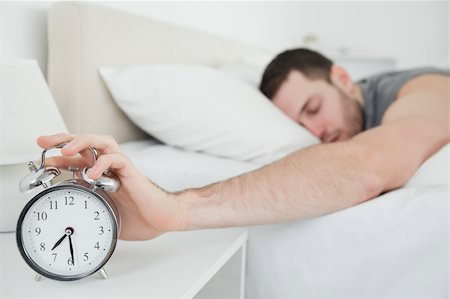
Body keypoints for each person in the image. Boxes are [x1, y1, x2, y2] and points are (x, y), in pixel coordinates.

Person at [38, 48, 449, 241]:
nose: (316, 130)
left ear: (342, 78)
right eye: (298, 123)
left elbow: (369, 163)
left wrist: (178, 208)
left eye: (313, 107)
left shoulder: (424, 88)